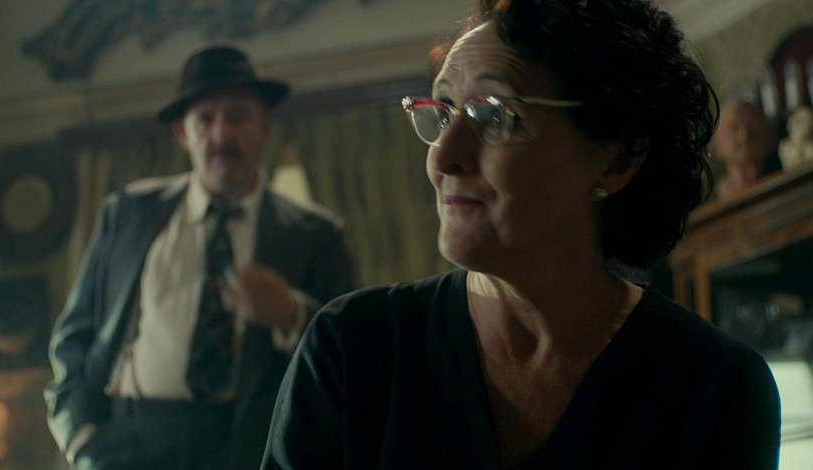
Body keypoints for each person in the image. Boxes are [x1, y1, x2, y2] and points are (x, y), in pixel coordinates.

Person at [261, 1, 781, 469]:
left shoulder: (715, 387)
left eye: (494, 115)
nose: (443, 157)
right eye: (442, 112)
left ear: (616, 159)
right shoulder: (353, 350)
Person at [45, 45, 356, 469]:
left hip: (251, 447)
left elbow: (351, 355)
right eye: (206, 119)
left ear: (265, 126)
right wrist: (80, 439)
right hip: (128, 444)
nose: (222, 135)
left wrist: (291, 313)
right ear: (183, 133)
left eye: (238, 116)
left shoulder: (316, 234)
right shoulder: (128, 214)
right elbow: (74, 337)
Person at [711, 99, 774, 199]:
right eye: (733, 128)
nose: (745, 135)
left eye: (751, 124)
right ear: (717, 145)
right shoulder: (711, 202)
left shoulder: (786, 179)